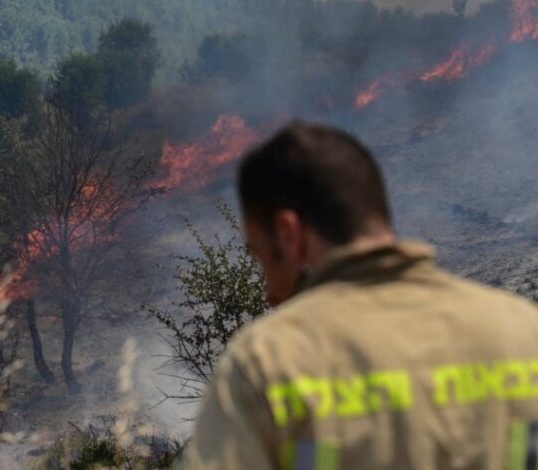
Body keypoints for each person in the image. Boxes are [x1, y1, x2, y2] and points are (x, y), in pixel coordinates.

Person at [181, 121, 538, 469]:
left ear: (289, 233)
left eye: (258, 255)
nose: (268, 291)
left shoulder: (268, 363)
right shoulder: (522, 329)